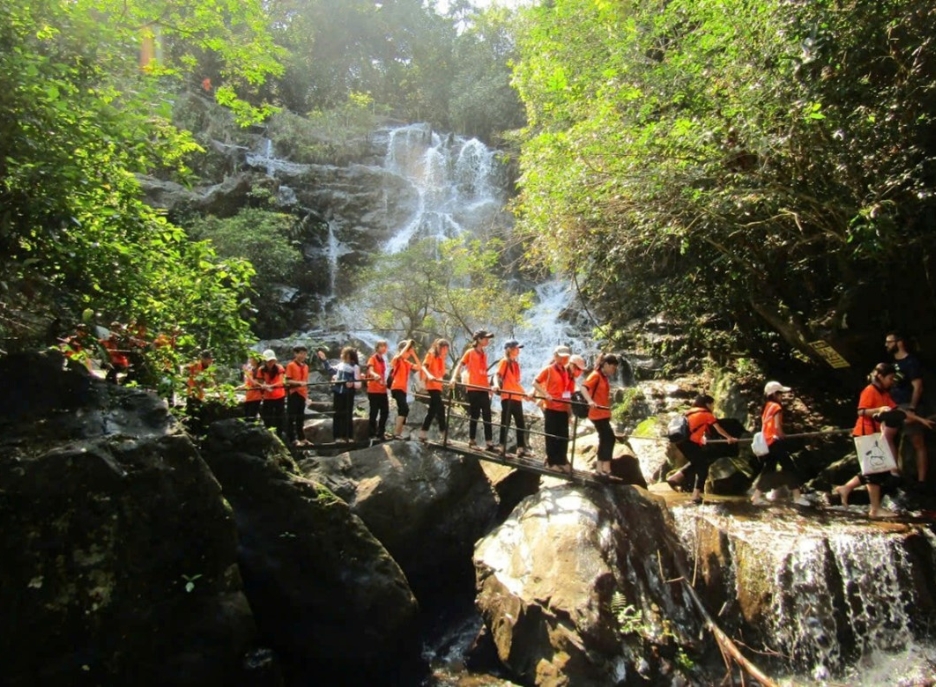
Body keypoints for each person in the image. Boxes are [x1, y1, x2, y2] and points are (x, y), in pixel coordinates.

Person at [834, 363, 934, 517]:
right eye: (890, 378)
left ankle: (846, 488)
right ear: (880, 376)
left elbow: (899, 411)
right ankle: (875, 509)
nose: (892, 381)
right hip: (864, 433)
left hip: (875, 434)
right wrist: (879, 409)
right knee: (874, 472)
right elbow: (861, 411)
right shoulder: (870, 390)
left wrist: (921, 420)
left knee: (880, 470)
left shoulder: (884, 394)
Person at [750, 382, 809, 506]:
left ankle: (756, 497)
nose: (782, 396)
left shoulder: (766, 407)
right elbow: (777, 427)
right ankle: (797, 497)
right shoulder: (776, 407)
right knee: (789, 467)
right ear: (774, 394)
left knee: (769, 469)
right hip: (775, 442)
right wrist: (783, 436)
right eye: (780, 393)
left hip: (767, 443)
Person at [677, 394, 737, 504]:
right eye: (712, 404)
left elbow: (693, 429)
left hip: (681, 442)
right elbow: (719, 429)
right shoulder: (707, 414)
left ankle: (677, 479)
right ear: (707, 404)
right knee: (702, 468)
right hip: (690, 444)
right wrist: (729, 438)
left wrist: (701, 438)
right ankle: (695, 496)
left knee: (698, 463)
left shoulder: (690, 411)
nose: (713, 407)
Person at [886, 331, 928, 483]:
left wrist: (912, 407)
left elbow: (918, 386)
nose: (887, 345)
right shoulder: (892, 364)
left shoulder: (911, 362)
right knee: (887, 435)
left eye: (889, 342)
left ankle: (921, 480)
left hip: (908, 404)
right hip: (894, 406)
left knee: (917, 442)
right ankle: (894, 471)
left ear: (899, 342)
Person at [451, 330, 496, 451]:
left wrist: (488, 387)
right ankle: (472, 440)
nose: (488, 341)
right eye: (486, 338)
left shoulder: (484, 353)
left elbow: (484, 372)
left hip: (483, 388)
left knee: (487, 414)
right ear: (479, 339)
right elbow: (460, 365)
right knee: (475, 414)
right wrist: (454, 377)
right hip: (473, 388)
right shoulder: (470, 352)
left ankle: (489, 442)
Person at [534, 345, 576, 473]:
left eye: (566, 357)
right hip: (551, 407)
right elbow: (535, 382)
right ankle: (551, 463)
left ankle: (562, 461)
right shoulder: (548, 369)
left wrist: (569, 409)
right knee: (551, 436)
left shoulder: (566, 371)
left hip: (562, 408)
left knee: (563, 436)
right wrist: (545, 394)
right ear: (555, 356)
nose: (564, 359)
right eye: (561, 356)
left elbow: (567, 390)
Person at [582, 354, 619, 476]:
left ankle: (602, 468)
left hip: (603, 413)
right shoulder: (596, 375)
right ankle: (603, 468)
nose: (614, 371)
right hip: (596, 413)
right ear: (606, 364)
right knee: (608, 438)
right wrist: (590, 401)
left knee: (606, 438)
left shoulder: (603, 377)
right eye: (613, 368)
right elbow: (583, 388)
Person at [493, 340, 531, 456]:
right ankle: (502, 448)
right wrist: (495, 385)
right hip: (507, 396)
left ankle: (521, 449)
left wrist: (524, 394)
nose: (518, 350)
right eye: (516, 348)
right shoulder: (504, 361)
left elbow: (516, 382)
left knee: (520, 423)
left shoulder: (516, 364)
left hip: (517, 397)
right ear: (509, 349)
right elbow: (497, 375)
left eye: (518, 348)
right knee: (506, 422)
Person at [318, 347, 362, 443]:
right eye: (343, 354)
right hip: (338, 392)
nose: (343, 355)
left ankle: (348, 436)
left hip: (348, 393)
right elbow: (330, 370)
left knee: (347, 414)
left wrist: (352, 384)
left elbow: (358, 384)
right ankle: (337, 437)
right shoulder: (340, 365)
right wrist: (324, 360)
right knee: (337, 414)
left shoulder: (355, 367)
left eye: (345, 354)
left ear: (350, 356)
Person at [389, 339, 423, 439]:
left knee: (403, 410)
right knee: (404, 408)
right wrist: (408, 344)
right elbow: (400, 355)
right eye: (408, 351)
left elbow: (419, 367)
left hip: (403, 389)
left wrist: (413, 354)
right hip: (396, 387)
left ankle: (398, 433)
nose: (408, 353)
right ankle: (396, 433)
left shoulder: (406, 363)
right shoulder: (397, 359)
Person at [418, 338, 450, 443]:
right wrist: (429, 375)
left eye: (446, 349)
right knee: (440, 409)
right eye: (444, 348)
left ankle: (423, 433)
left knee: (433, 410)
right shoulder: (431, 354)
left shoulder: (441, 359)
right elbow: (424, 367)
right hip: (432, 385)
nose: (445, 351)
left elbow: (441, 373)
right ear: (439, 347)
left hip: (437, 386)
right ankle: (443, 434)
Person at [257, 349, 287, 440]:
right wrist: (264, 385)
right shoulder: (261, 370)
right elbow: (260, 381)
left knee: (280, 417)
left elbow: (281, 381)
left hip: (279, 396)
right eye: (268, 361)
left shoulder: (279, 368)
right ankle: (268, 435)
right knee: (267, 417)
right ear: (265, 361)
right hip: (268, 397)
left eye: (272, 360)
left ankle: (280, 435)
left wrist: (270, 386)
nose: (270, 362)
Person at [185, 349, 214, 438]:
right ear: (204, 359)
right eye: (209, 358)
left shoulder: (209, 367)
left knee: (202, 414)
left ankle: (200, 433)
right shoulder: (196, 365)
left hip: (201, 395)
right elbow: (187, 369)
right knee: (193, 413)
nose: (211, 360)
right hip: (193, 393)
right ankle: (192, 433)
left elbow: (211, 379)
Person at [285, 345, 310, 446]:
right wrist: (298, 383)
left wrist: (307, 396)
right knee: (291, 416)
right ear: (295, 354)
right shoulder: (291, 365)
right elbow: (287, 380)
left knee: (300, 417)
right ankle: (292, 438)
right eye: (301, 353)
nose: (303, 355)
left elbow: (306, 382)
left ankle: (302, 438)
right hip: (294, 393)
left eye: (304, 353)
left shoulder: (306, 366)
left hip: (302, 394)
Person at [366, 340, 390, 440]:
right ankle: (371, 433)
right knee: (374, 412)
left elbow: (384, 374)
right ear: (377, 347)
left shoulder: (383, 360)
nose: (384, 348)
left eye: (385, 346)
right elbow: (370, 370)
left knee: (385, 411)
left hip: (382, 390)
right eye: (382, 346)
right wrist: (375, 374)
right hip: (373, 390)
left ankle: (381, 432)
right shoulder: (373, 358)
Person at [242, 354, 263, 422]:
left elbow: (255, 384)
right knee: (246, 417)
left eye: (251, 358)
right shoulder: (250, 370)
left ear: (256, 360)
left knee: (251, 418)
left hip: (255, 397)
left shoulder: (259, 370)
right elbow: (247, 384)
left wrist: (246, 373)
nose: (249, 360)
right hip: (248, 397)